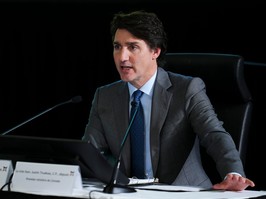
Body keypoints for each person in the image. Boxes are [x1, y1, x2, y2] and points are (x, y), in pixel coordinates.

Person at [82, 10, 255, 191]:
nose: (122, 57)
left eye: (132, 47)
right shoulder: (105, 96)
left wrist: (233, 172)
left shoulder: (187, 89)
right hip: (129, 193)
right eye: (117, 47)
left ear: (155, 51)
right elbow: (88, 152)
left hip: (184, 193)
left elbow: (214, 135)